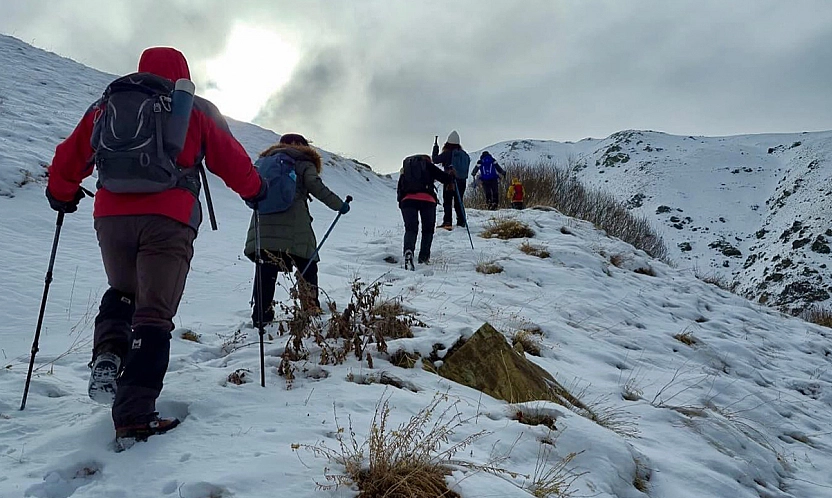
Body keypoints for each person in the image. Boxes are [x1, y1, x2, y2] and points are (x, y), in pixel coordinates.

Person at [46, 47, 266, 445]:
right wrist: (256, 191)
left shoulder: (107, 103)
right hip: (169, 218)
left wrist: (61, 193)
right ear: (182, 73)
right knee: (154, 313)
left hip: (111, 217)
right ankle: (134, 415)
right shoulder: (193, 107)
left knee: (123, 292)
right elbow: (231, 161)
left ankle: (109, 355)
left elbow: (70, 156)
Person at [244, 133, 349, 323]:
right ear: (301, 145)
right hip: (295, 226)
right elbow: (315, 186)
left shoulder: (264, 161)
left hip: (263, 225)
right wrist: (339, 205)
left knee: (265, 270)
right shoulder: (302, 161)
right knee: (306, 264)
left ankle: (261, 317)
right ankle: (310, 311)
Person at [397, 154, 454, 270]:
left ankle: (409, 251)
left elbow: (400, 188)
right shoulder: (428, 165)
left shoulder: (406, 170)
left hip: (407, 201)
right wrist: (451, 176)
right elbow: (444, 178)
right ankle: (424, 257)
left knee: (411, 229)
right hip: (427, 200)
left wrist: (401, 203)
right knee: (428, 230)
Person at [431, 130, 470, 229]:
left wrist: (435, 148)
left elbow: (435, 160)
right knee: (459, 201)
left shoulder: (448, 153)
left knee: (447, 201)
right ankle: (461, 221)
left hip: (450, 181)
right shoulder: (464, 154)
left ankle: (447, 222)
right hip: (462, 181)